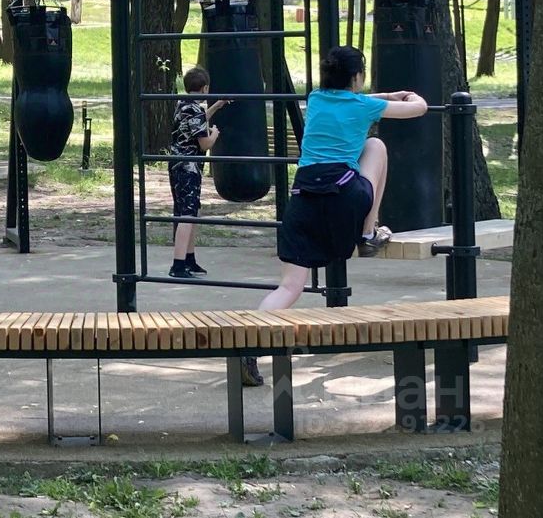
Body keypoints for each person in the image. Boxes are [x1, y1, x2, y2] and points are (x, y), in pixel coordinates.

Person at [241, 45, 427, 387]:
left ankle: (248, 344)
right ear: (356, 77)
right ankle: (368, 231)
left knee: (289, 286)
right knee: (376, 147)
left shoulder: (316, 99)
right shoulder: (364, 106)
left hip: (303, 200)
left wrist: (385, 96)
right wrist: (408, 96)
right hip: (344, 198)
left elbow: (351, 99)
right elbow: (419, 109)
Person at [168, 66, 231, 278]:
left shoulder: (183, 105)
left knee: (189, 211)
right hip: (189, 167)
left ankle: (189, 259)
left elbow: (198, 120)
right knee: (187, 214)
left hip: (178, 165)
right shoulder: (194, 110)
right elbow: (205, 144)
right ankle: (178, 265)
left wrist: (216, 106)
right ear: (205, 88)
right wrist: (215, 134)